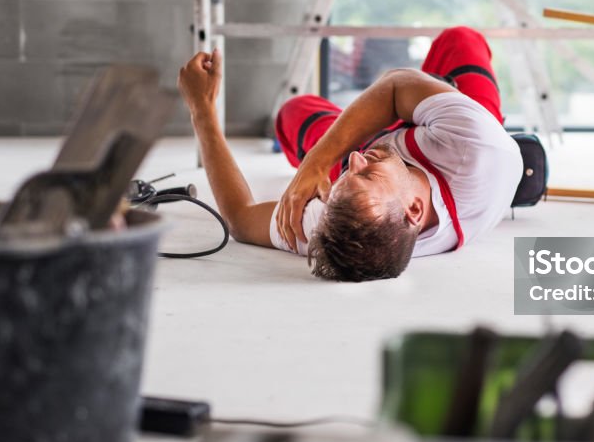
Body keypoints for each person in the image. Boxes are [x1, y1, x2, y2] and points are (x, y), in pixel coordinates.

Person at [177, 27, 523, 282]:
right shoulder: (476, 146)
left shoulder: (339, 222)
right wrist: (320, 161)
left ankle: (407, 105)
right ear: (414, 209)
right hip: (455, 137)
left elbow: (240, 218)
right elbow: (395, 83)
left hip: (399, 152)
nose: (356, 161)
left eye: (345, 180)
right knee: (460, 39)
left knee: (293, 112)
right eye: (366, 176)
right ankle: (432, 94)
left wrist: (201, 108)